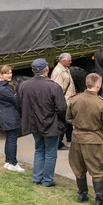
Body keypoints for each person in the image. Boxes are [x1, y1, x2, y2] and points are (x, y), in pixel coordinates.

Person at [17, 58, 67, 188]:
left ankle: (37, 177)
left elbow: (19, 104)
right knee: (50, 153)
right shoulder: (54, 87)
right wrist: (61, 119)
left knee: (39, 149)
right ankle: (47, 180)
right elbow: (62, 108)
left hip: (34, 125)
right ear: (46, 69)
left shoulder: (24, 85)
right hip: (50, 124)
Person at [66, 73, 103, 205]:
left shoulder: (75, 99)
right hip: (94, 140)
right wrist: (99, 134)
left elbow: (68, 118)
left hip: (77, 138)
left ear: (87, 84)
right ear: (98, 86)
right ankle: (99, 201)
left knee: (78, 167)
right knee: (97, 170)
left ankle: (82, 194)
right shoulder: (102, 104)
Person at [0, 65, 23, 172]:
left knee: (9, 139)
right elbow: (16, 100)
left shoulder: (1, 86)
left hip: (7, 115)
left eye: (10, 72)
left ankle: (9, 161)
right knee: (12, 140)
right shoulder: (3, 89)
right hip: (11, 116)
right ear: (0, 74)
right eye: (6, 73)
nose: (9, 75)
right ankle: (13, 163)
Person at [51, 53, 76, 150]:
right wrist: (60, 103)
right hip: (64, 101)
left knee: (69, 120)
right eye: (69, 60)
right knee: (63, 122)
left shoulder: (65, 69)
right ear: (63, 61)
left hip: (69, 99)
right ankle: (58, 143)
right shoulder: (58, 72)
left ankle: (70, 137)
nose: (71, 62)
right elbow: (58, 89)